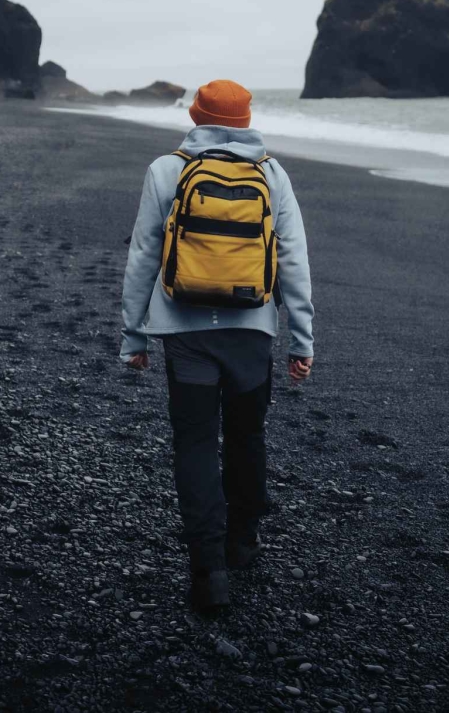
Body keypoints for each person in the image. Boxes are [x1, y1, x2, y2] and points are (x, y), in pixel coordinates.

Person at [119, 79, 314, 612]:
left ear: (197, 116)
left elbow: (142, 256)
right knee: (248, 433)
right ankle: (243, 541)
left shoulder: (167, 170)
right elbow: (293, 261)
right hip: (252, 332)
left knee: (197, 443)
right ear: (247, 121)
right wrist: (302, 339)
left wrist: (134, 335)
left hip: (185, 335)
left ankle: (208, 570)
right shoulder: (272, 174)